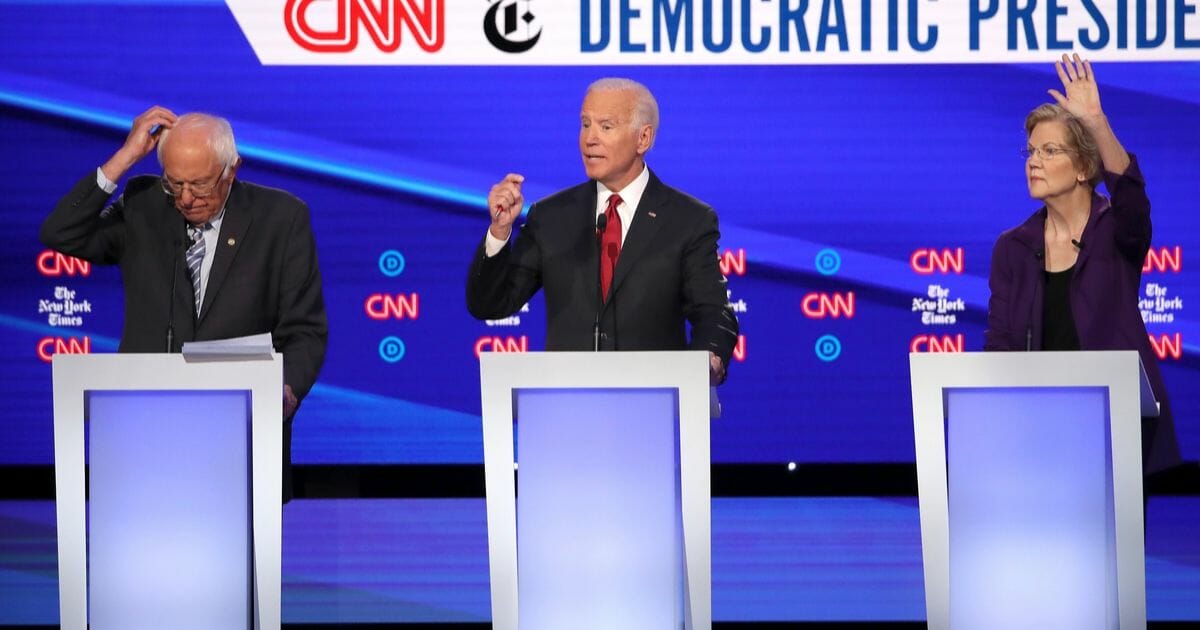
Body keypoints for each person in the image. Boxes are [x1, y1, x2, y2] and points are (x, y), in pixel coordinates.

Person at [41, 107, 328, 502]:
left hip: (241, 440)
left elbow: (305, 331)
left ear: (232, 169)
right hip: (143, 434)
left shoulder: (281, 219)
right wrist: (124, 157)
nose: (186, 199)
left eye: (200, 185)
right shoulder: (144, 204)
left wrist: (284, 392)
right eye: (174, 184)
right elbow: (62, 234)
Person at [466, 78, 739, 382]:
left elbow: (713, 311)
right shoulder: (552, 217)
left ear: (643, 139)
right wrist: (500, 231)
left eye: (605, 127)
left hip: (652, 408)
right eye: (585, 124)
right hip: (565, 408)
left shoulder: (688, 220)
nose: (589, 139)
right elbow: (490, 304)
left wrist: (709, 359)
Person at [984, 55, 1180, 475]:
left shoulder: (1116, 231)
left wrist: (1095, 121)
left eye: (1050, 151)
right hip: (1038, 432)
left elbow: (1131, 194)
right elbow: (999, 344)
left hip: (1118, 428)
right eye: (1031, 151)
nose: (1033, 161)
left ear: (1083, 168)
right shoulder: (1013, 249)